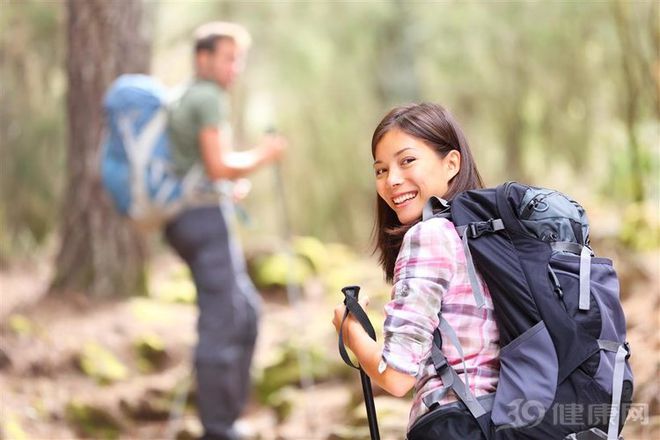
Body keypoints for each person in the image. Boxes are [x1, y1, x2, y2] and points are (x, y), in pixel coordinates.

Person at [332, 103, 500, 439]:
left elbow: (396, 377)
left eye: (407, 161)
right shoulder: (483, 235)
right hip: (501, 417)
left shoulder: (430, 236)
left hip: (457, 423)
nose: (392, 180)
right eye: (380, 170)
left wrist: (350, 332)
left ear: (451, 163)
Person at [165, 22, 286, 440]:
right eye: (228, 58)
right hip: (202, 222)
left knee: (245, 313)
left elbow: (200, 166)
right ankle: (218, 427)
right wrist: (264, 155)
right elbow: (218, 163)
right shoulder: (207, 97)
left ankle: (228, 415)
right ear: (203, 58)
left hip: (192, 216)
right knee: (224, 319)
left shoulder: (186, 96)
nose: (236, 67)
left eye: (240, 59)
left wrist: (224, 187)